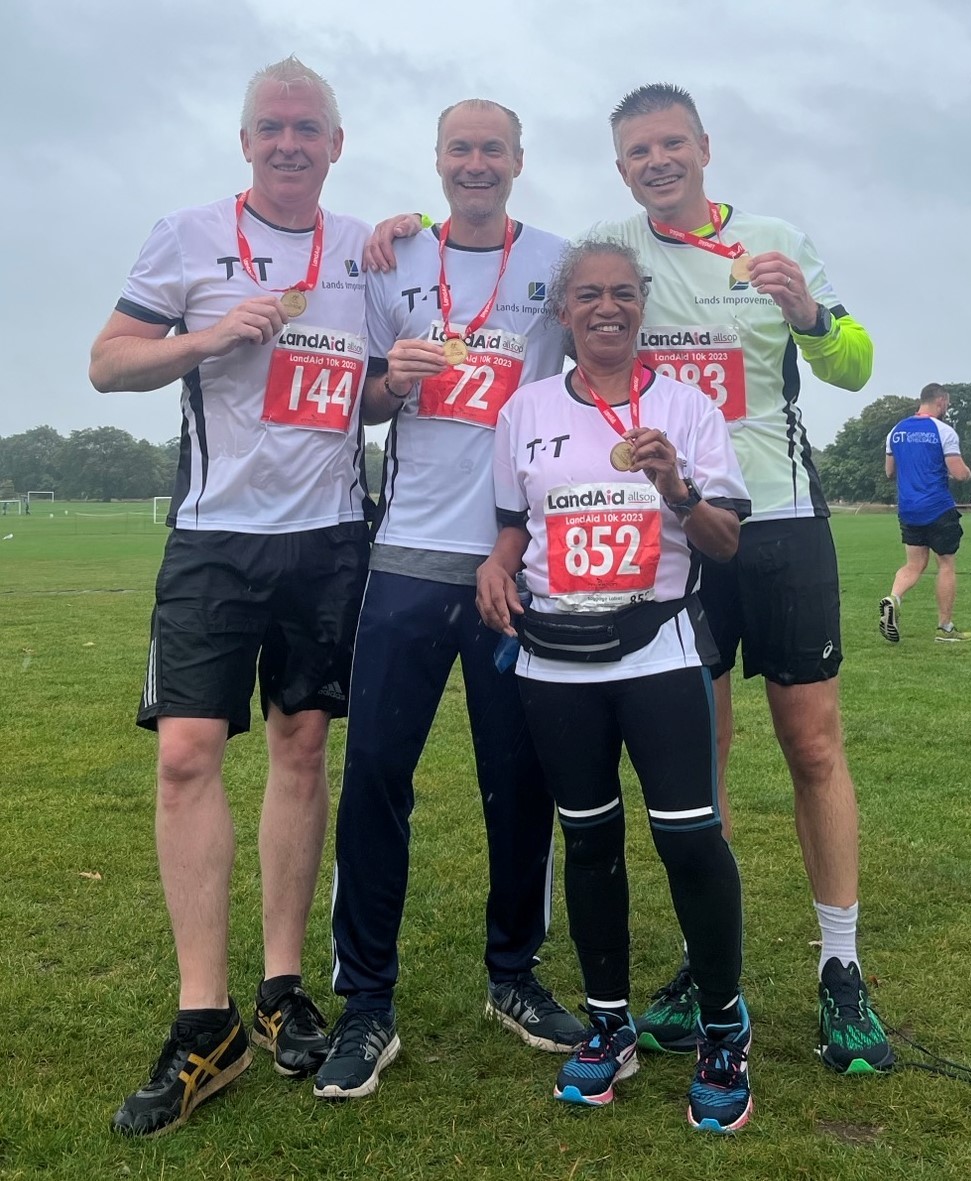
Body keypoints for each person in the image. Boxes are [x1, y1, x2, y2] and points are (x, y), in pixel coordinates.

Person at [89, 56, 372, 1136]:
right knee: (185, 753)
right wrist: (207, 336)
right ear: (245, 142)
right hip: (213, 538)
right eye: (272, 127)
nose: (291, 142)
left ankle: (282, 986)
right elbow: (108, 362)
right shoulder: (185, 235)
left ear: (335, 145)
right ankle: (201, 1015)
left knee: (302, 750)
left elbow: (374, 384)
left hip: (328, 539)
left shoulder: (364, 249)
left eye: (309, 127)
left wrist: (409, 378)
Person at [591, 84, 894, 1074]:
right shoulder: (611, 255)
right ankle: (701, 963)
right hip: (684, 532)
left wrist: (805, 309)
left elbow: (852, 363)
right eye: (638, 149)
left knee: (811, 742)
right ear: (621, 163)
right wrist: (410, 227)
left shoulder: (772, 240)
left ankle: (840, 971)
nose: (657, 160)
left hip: (785, 524)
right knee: (697, 759)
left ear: (704, 148)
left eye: (671, 142)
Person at [313, 99, 582, 1103]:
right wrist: (392, 376)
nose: (476, 163)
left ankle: (513, 977)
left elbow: (597, 359)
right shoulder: (395, 260)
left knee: (521, 785)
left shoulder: (556, 261)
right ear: (436, 161)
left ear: (518, 160)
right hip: (409, 556)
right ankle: (365, 1001)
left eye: (492, 149)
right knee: (377, 776)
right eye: (459, 148)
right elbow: (363, 396)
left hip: (517, 561)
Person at [477, 239, 753, 1130]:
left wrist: (675, 483)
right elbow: (518, 526)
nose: (607, 307)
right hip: (554, 661)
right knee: (589, 843)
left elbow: (724, 543)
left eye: (623, 293)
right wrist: (496, 559)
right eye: (589, 294)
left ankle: (721, 1028)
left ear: (643, 304)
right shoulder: (523, 411)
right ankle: (607, 1024)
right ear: (565, 310)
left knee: (689, 842)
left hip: (660, 652)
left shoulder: (688, 408)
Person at [879, 383, 971, 643]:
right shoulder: (944, 431)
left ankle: (893, 598)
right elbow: (958, 472)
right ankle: (945, 628)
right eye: (948, 404)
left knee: (914, 565)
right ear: (941, 401)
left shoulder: (895, 431)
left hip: (908, 510)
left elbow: (889, 472)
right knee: (945, 564)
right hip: (938, 508)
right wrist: (967, 474)